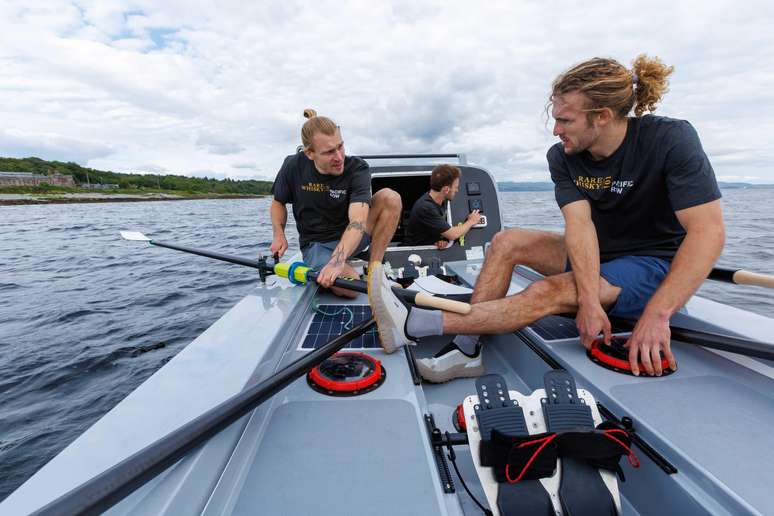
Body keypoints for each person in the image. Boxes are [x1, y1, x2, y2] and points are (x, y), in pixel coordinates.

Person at [368, 55, 724, 381]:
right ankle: (466, 346)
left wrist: (659, 314)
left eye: (565, 120)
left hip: (652, 264)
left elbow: (708, 232)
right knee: (506, 241)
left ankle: (416, 324)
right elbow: (580, 227)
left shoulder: (670, 139)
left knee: (545, 291)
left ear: (601, 116)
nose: (556, 130)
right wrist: (588, 299)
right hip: (601, 253)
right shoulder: (564, 156)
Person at [271, 109, 401, 297]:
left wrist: (337, 262)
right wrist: (278, 234)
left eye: (340, 146)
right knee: (351, 289)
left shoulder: (357, 168)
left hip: (353, 235)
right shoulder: (292, 166)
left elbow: (358, 220)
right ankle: (340, 268)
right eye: (329, 152)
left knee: (391, 197)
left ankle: (375, 271)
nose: (339, 157)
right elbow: (278, 202)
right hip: (317, 244)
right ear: (310, 153)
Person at [404, 164, 481, 247]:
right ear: (446, 189)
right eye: (456, 187)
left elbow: (437, 228)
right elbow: (452, 234)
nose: (457, 190)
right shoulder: (426, 207)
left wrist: (441, 240)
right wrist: (471, 221)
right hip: (413, 254)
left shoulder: (441, 201)